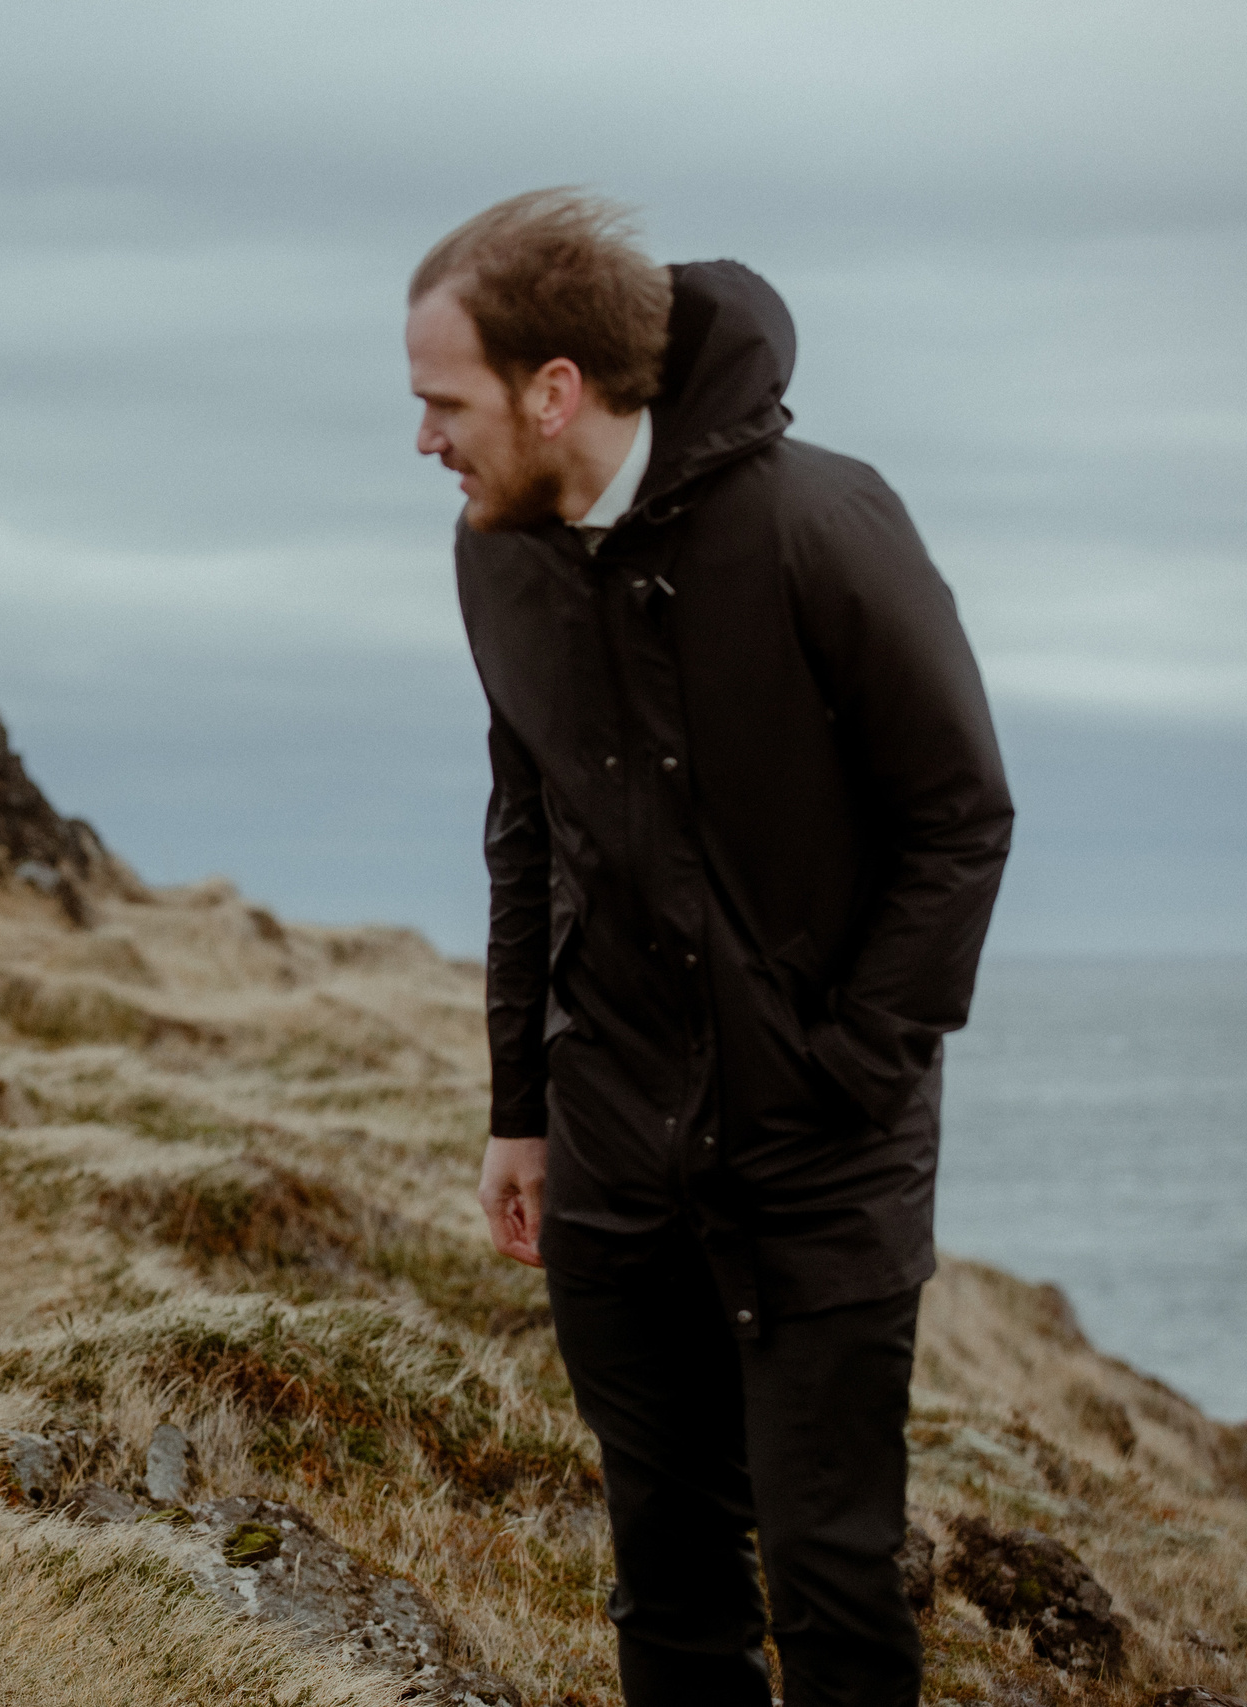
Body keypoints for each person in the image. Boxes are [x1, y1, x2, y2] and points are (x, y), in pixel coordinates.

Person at [406, 191, 1011, 1706]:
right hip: (612, 1149)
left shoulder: (822, 521)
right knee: (667, 1576)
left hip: (821, 1158)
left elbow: (958, 818)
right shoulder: (494, 556)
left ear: (554, 389)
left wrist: (849, 1066)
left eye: (445, 402)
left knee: (831, 1578)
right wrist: (522, 1107)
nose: (424, 439)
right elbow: (528, 834)